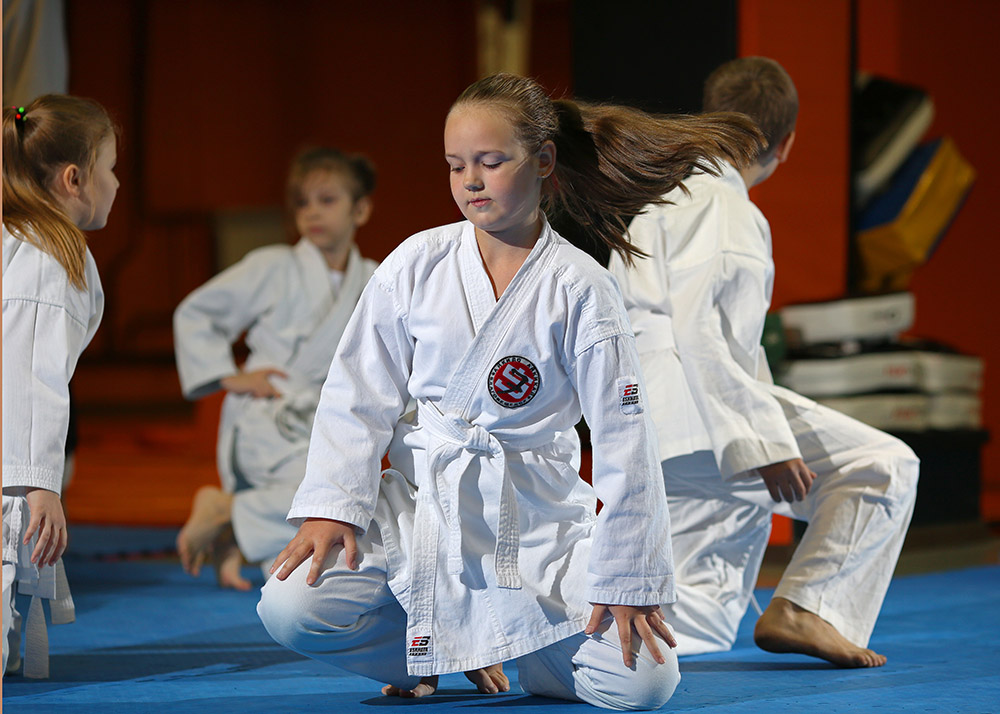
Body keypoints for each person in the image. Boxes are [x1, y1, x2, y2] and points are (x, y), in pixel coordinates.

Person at [257, 73, 762, 709]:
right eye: (455, 165)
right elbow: (357, 393)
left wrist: (629, 577)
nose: (471, 181)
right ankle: (440, 650)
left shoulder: (581, 287)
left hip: (538, 526)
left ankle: (526, 657)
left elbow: (624, 440)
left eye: (491, 162)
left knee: (644, 683)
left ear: (543, 161)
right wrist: (334, 505)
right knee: (291, 606)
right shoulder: (416, 263)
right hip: (424, 509)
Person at [609, 56, 920, 668]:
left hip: (648, 425)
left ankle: (563, 633)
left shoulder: (660, 204)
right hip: (701, 417)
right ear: (786, 144)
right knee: (881, 467)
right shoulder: (725, 209)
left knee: (699, 612)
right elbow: (702, 332)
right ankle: (808, 607)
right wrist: (758, 440)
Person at [173, 148, 379, 590]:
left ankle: (234, 535)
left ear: (360, 210)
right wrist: (230, 375)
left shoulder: (374, 279)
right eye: (302, 203)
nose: (312, 212)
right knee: (327, 501)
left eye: (327, 200)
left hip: (321, 421)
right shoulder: (273, 265)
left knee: (353, 501)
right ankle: (225, 510)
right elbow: (196, 313)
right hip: (268, 415)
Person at [2, 95, 119, 678]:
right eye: (110, 169)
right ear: (75, 179)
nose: (116, 184)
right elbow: (26, 373)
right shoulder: (47, 257)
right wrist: (36, 485)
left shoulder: (22, 237)